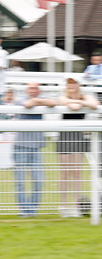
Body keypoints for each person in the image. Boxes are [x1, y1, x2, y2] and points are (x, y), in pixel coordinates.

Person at [57, 77, 100, 217]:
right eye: (68, 83)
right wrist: (81, 103)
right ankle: (63, 206)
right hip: (64, 136)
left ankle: (75, 206)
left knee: (77, 172)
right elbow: (73, 107)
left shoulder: (84, 96)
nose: (70, 85)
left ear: (78, 85)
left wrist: (79, 101)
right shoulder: (63, 96)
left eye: (73, 83)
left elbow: (94, 104)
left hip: (78, 136)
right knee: (65, 173)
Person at [13, 82, 55, 217]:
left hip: (36, 147)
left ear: (39, 90)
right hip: (20, 146)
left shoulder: (42, 100)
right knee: (20, 180)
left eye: (36, 88)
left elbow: (53, 103)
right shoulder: (20, 99)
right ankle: (24, 210)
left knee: (38, 180)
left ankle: (33, 210)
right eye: (31, 88)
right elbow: (27, 105)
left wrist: (38, 100)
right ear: (27, 90)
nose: (33, 90)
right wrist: (38, 101)